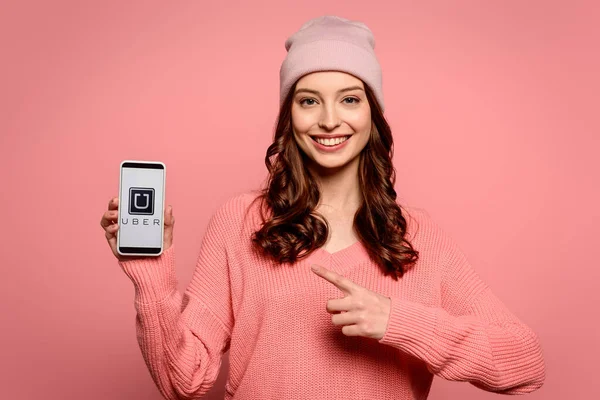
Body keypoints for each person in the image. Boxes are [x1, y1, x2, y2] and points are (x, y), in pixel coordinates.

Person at [100, 15, 546, 400]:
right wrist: (150, 274)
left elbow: (525, 363)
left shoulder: (417, 234)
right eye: (308, 100)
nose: (329, 119)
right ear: (288, 115)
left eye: (350, 98)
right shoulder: (240, 222)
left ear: (373, 113)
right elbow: (185, 382)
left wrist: (401, 322)